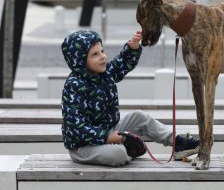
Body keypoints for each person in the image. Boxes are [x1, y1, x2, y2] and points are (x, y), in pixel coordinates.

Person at [61, 29, 199, 167]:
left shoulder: (105, 73)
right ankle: (126, 149)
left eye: (102, 51)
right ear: (80, 61)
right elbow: (76, 127)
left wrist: (132, 48)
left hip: (110, 130)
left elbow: (121, 64)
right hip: (84, 146)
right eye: (95, 54)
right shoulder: (74, 86)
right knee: (118, 154)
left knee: (139, 116)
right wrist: (106, 138)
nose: (103, 56)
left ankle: (178, 142)